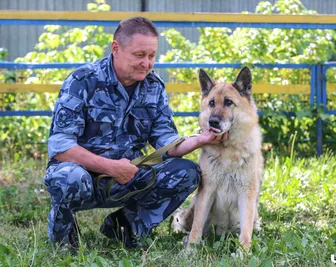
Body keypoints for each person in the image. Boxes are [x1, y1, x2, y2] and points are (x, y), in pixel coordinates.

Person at [43, 16, 228, 250]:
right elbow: (60, 147)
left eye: (152, 56)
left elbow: (166, 142)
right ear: (116, 48)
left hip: (128, 176)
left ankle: (126, 226)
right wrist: (110, 167)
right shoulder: (83, 81)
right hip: (83, 176)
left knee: (187, 172)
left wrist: (200, 139)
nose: (147, 63)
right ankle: (64, 231)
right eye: (139, 55)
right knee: (67, 178)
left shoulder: (153, 86)